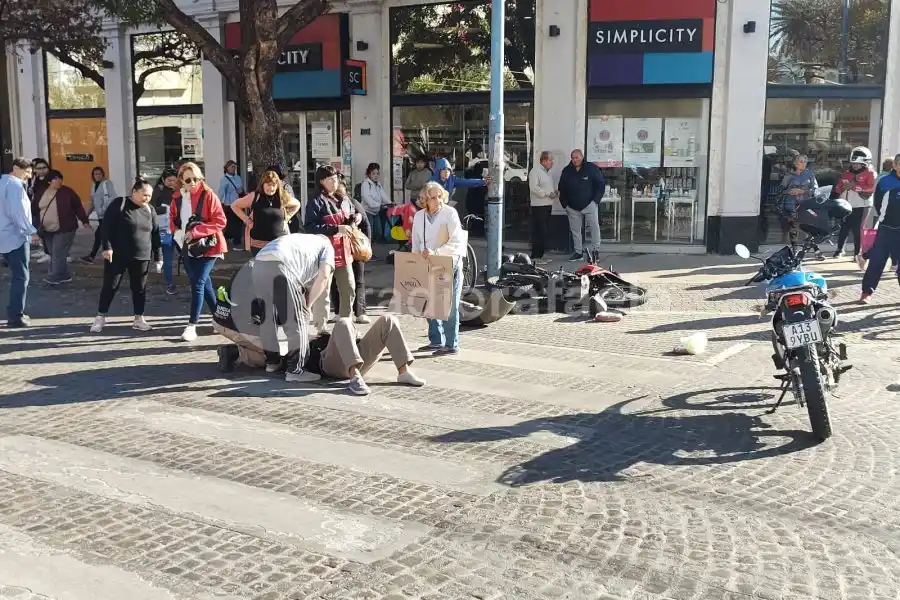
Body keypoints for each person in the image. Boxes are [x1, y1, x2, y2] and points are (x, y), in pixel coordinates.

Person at [252, 233, 334, 382]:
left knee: (268, 317)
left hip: (258, 263)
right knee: (298, 319)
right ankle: (296, 370)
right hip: (282, 265)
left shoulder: (302, 240)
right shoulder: (327, 246)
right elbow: (324, 276)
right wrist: (307, 306)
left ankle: (272, 362)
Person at [90, 180, 162, 333]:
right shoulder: (120, 203)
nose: (147, 198)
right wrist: (107, 248)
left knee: (139, 288)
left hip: (142, 255)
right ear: (134, 191)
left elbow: (155, 234)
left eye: (149, 195)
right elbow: (106, 227)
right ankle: (100, 317)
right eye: (144, 195)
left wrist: (158, 256)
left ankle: (139, 318)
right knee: (111, 286)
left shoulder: (150, 210)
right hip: (118, 254)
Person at [169, 161, 228, 341]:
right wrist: (178, 233)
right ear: (182, 180)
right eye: (188, 180)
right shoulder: (177, 198)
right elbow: (172, 219)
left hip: (210, 245)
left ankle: (192, 325)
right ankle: (221, 320)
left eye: (196, 179)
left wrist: (196, 231)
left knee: (198, 283)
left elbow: (220, 221)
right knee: (204, 283)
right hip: (187, 246)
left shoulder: (209, 195)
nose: (193, 183)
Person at [411, 181, 466, 356]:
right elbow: (416, 241)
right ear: (425, 200)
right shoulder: (419, 216)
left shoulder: (450, 213)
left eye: (439, 196)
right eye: (433, 197)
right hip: (428, 264)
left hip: (450, 263)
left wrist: (436, 251)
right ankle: (436, 340)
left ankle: (451, 344)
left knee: (450, 305)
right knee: (430, 304)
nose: (438, 200)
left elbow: (456, 241)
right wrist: (416, 259)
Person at [304, 165, 357, 334]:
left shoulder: (342, 197)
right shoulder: (315, 201)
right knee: (323, 291)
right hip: (325, 253)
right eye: (330, 179)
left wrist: (355, 218)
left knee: (349, 288)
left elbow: (352, 213)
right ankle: (321, 327)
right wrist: (335, 229)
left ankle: (346, 324)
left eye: (336, 178)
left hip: (344, 251)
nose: (335, 182)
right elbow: (310, 227)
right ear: (321, 182)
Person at [313, 316, 425, 395]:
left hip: (358, 359)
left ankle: (403, 372)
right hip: (331, 362)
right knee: (344, 322)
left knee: (388, 320)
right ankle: (355, 377)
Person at [37, 170, 90, 285]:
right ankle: (64, 275)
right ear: (50, 181)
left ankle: (55, 275)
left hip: (65, 228)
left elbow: (78, 207)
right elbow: (34, 208)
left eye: (60, 178)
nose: (59, 181)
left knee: (58, 253)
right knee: (52, 252)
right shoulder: (42, 191)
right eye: (56, 178)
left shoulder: (67, 192)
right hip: (46, 229)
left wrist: (85, 221)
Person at [231, 170, 300, 256]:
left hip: (279, 244)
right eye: (268, 185)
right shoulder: (255, 196)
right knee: (261, 268)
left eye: (274, 185)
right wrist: (247, 220)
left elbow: (296, 204)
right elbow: (234, 205)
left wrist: (286, 217)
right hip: (258, 245)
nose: (271, 188)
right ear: (262, 184)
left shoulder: (282, 196)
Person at [860, 153, 900, 303]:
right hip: (887, 228)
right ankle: (866, 292)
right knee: (877, 261)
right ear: (895, 165)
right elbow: (878, 204)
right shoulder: (885, 182)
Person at [0, 158, 35, 327]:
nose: (29, 176)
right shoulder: (14, 186)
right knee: (21, 276)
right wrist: (31, 231)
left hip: (4, 235)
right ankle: (15, 316)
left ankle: (14, 313)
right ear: (16, 168)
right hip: (16, 237)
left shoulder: (3, 183)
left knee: (17, 275)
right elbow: (17, 212)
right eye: (27, 172)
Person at [332, 176, 369, 324]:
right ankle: (338, 310)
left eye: (341, 193)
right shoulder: (330, 206)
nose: (339, 197)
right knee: (336, 280)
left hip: (355, 248)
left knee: (358, 280)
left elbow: (366, 224)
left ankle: (360, 312)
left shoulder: (354, 204)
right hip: (338, 248)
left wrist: (366, 244)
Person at [558, 149, 604, 261]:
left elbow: (601, 184)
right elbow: (561, 188)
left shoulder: (591, 168)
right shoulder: (566, 171)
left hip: (589, 205)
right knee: (575, 231)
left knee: (594, 228)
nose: (574, 160)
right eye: (572, 158)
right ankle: (578, 252)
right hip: (572, 207)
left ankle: (596, 251)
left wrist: (595, 201)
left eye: (576, 157)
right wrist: (565, 204)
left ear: (582, 157)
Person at [833, 147, 876, 259]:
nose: (855, 166)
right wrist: (841, 187)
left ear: (865, 163)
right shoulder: (846, 173)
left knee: (858, 229)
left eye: (858, 164)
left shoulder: (871, 173)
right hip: (847, 205)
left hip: (862, 205)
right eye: (854, 163)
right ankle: (839, 250)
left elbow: (871, 188)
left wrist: (855, 187)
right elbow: (838, 188)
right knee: (844, 228)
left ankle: (857, 253)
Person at [777, 154, 817, 247]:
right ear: (795, 163)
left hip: (806, 204)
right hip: (792, 205)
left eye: (805, 162)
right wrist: (789, 191)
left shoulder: (810, 174)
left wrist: (803, 191)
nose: (803, 164)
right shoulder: (789, 175)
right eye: (801, 162)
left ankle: (815, 250)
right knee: (793, 226)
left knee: (808, 226)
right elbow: (780, 190)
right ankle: (794, 249)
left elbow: (816, 190)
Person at [80, 166, 117, 264]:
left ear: (103, 175)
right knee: (101, 236)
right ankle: (99, 256)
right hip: (100, 216)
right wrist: (86, 215)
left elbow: (113, 197)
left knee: (103, 235)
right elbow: (93, 202)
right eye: (95, 174)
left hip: (107, 214)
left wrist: (103, 209)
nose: (97, 176)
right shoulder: (93, 186)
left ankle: (98, 256)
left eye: (99, 174)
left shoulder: (107, 184)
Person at [151, 169, 179, 295]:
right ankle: (169, 283)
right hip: (165, 229)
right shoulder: (158, 192)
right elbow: (151, 208)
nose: (172, 183)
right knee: (167, 258)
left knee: (187, 256)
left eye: (174, 180)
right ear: (163, 180)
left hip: (180, 230)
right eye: (169, 180)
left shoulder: (181, 191)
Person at [528, 150, 557, 264]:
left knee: (544, 231)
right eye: (550, 160)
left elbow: (546, 187)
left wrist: (554, 192)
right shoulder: (535, 171)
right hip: (538, 206)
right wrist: (547, 193)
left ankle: (541, 254)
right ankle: (536, 256)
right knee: (539, 231)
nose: (552, 162)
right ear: (544, 161)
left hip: (547, 205)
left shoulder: (547, 172)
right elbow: (534, 188)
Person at [26, 159, 52, 264]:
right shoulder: (34, 179)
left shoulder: (50, 179)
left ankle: (49, 253)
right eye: (38, 168)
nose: (41, 170)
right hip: (35, 208)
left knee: (46, 231)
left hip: (46, 209)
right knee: (39, 230)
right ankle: (45, 250)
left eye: (44, 168)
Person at [217, 160, 246, 250]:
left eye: (234, 167)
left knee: (239, 222)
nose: (233, 169)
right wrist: (218, 202)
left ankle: (231, 239)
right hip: (230, 204)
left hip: (239, 203)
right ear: (227, 168)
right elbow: (221, 192)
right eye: (231, 167)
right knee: (233, 223)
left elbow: (241, 188)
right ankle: (235, 242)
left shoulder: (238, 177)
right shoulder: (224, 180)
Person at [360, 162, 391, 243]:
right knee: (370, 235)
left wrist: (390, 203)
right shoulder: (366, 184)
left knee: (378, 232)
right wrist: (379, 205)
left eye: (377, 173)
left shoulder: (378, 184)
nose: (376, 175)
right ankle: (368, 252)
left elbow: (383, 196)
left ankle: (372, 251)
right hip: (367, 212)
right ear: (369, 174)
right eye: (373, 173)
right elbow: (367, 198)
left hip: (376, 211)